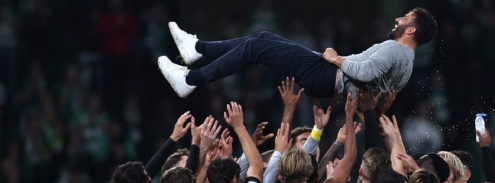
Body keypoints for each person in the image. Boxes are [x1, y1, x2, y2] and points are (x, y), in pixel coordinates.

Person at [158, 8, 437, 99]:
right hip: (329, 79)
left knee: (255, 47)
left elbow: (365, 72)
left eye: (404, 19)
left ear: (411, 31)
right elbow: (382, 97)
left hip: (327, 72)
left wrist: (335, 58)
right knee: (263, 38)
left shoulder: (393, 49)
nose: (398, 20)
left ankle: (191, 79)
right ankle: (196, 49)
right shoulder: (408, 64)